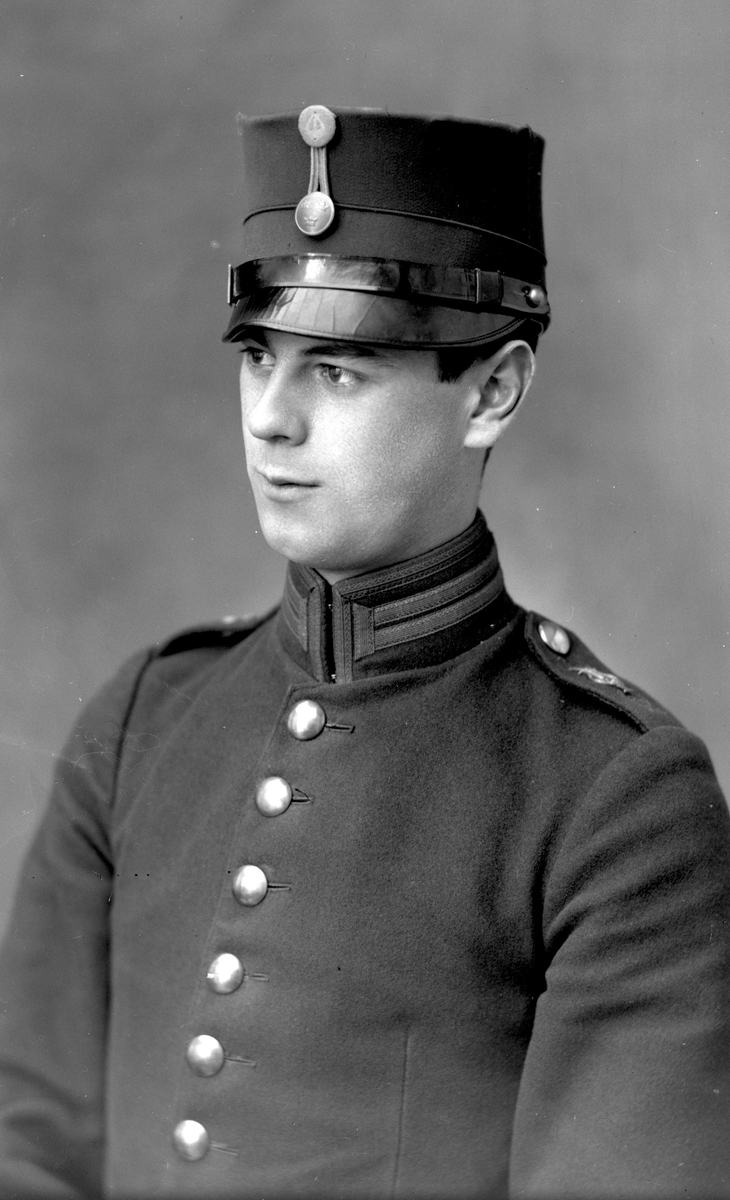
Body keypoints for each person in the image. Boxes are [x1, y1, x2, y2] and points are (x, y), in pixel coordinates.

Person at [0, 105, 728, 1200]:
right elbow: (27, 1143)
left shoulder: (618, 802)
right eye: (258, 356)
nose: (270, 418)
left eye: (338, 370)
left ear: (492, 392)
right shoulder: (145, 718)